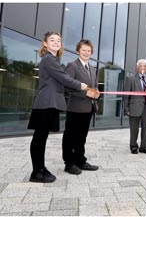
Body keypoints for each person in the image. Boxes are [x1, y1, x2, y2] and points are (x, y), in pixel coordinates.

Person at [27, 32, 88, 183]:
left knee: (41, 138)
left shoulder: (52, 59)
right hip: (46, 103)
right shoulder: (49, 59)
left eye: (58, 40)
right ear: (45, 43)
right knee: (39, 139)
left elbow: (61, 81)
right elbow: (64, 78)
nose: (56, 42)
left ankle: (40, 168)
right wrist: (80, 85)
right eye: (52, 40)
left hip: (50, 103)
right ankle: (37, 171)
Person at [62, 39, 100, 175]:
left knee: (82, 137)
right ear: (78, 51)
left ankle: (80, 160)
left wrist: (96, 92)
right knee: (70, 136)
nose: (86, 52)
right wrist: (86, 93)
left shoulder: (93, 69)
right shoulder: (72, 66)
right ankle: (69, 163)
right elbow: (67, 86)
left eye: (89, 50)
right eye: (84, 50)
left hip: (88, 108)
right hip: (75, 108)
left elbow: (94, 86)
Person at [124, 59, 146, 154]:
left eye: (145, 66)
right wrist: (126, 108)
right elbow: (126, 95)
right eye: (140, 66)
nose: (143, 68)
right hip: (134, 107)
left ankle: (143, 147)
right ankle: (133, 146)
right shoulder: (131, 79)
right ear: (137, 67)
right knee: (134, 129)